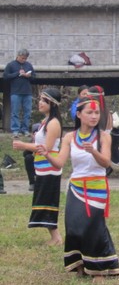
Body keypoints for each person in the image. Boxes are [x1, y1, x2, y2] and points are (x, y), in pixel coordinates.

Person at [44, 95, 119, 279]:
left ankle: (99, 270)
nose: (94, 116)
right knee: (73, 227)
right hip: (76, 187)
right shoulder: (70, 137)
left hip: (97, 187)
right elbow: (59, 163)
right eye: (89, 112)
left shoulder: (103, 137)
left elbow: (106, 163)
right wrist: (46, 154)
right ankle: (79, 266)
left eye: (96, 112)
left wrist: (93, 151)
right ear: (79, 114)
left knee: (93, 227)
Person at [12, 88, 64, 245]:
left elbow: (46, 147)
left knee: (48, 200)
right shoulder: (46, 121)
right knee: (43, 200)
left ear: (52, 104)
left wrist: (24, 145)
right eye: (40, 99)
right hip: (43, 168)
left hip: (50, 168)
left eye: (43, 100)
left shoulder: (53, 123)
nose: (40, 103)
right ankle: (54, 236)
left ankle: (56, 237)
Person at [4, 48, 35, 137]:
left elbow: (34, 77)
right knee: (15, 112)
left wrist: (28, 76)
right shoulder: (11, 65)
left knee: (27, 112)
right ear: (18, 56)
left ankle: (25, 130)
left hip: (27, 92)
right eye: (22, 58)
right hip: (16, 92)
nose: (24, 60)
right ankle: (15, 130)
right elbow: (6, 76)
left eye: (25, 58)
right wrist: (17, 73)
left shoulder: (28, 65)